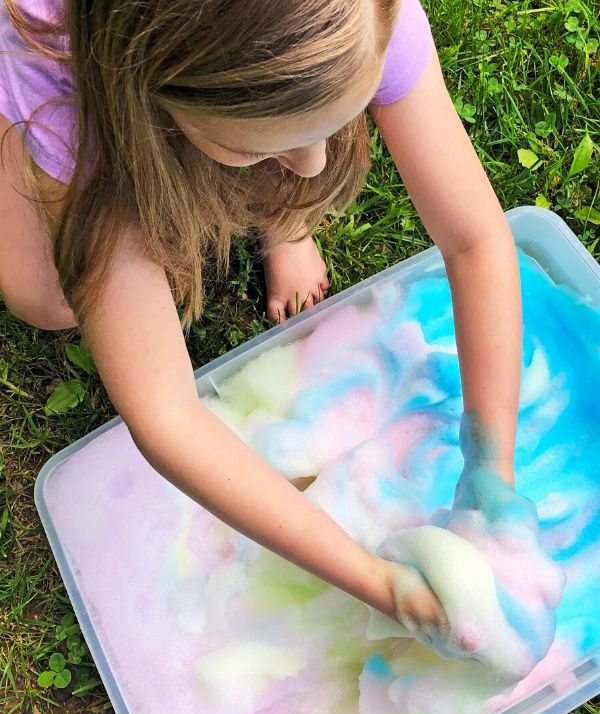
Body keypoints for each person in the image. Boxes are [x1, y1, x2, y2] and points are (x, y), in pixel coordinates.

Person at [0, 0, 524, 637]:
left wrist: (491, 466)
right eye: (252, 146)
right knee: (47, 299)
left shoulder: (363, 18)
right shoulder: (60, 81)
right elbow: (166, 413)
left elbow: (475, 242)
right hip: (71, 79)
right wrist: (375, 582)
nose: (318, 165)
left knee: (284, 141)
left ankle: (279, 214)